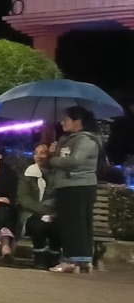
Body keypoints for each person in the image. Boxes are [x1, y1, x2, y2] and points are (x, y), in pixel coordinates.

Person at [48, 107, 102, 274]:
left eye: (66, 119)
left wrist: (53, 159)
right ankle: (81, 260)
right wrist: (54, 150)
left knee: (75, 224)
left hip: (79, 186)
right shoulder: (67, 139)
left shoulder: (86, 139)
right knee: (70, 224)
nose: (62, 122)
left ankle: (71, 260)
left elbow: (75, 160)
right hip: (67, 186)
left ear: (77, 122)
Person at [18, 141, 59, 267]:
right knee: (39, 226)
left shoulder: (58, 175)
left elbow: (61, 197)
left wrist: (53, 213)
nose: (39, 156)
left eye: (43, 153)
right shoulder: (29, 174)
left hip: (55, 213)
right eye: (36, 153)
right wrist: (44, 211)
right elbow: (24, 199)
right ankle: (39, 258)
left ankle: (54, 257)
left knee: (57, 227)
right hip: (32, 213)